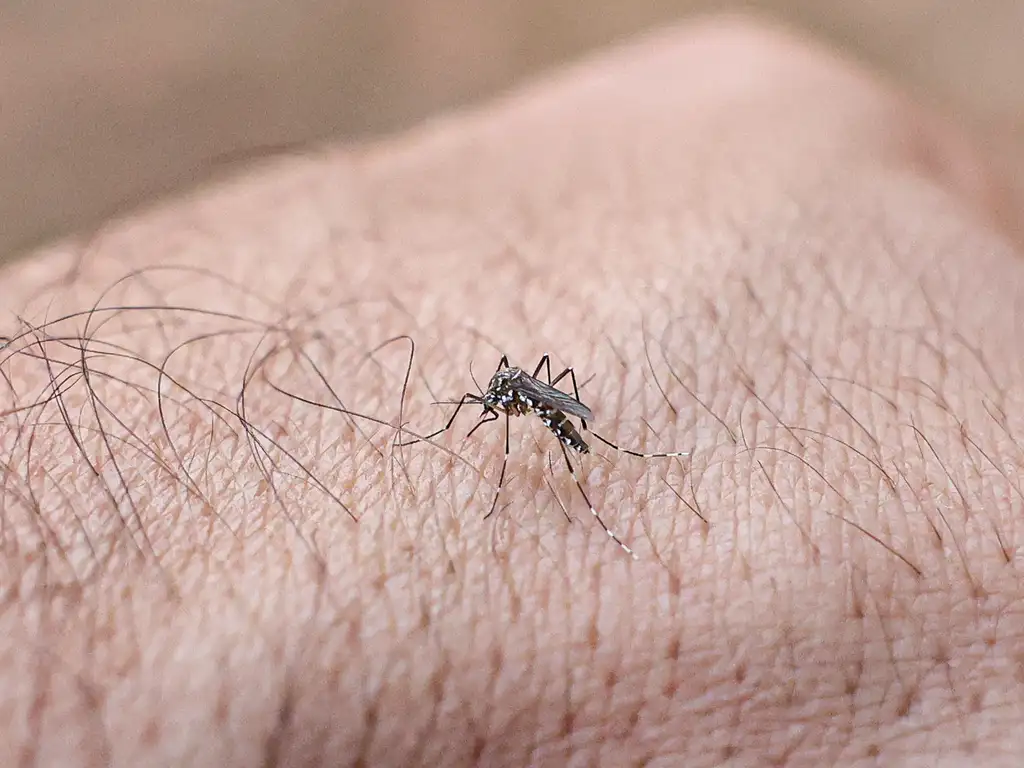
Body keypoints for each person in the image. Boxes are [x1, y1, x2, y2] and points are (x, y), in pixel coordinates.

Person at [2, 16, 1020, 766]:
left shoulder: (526, 404)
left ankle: (604, 461)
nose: (494, 406)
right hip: (553, 406)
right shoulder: (503, 393)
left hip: (568, 422)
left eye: (498, 400)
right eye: (500, 400)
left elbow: (526, 406)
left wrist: (563, 434)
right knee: (536, 423)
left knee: (553, 434)